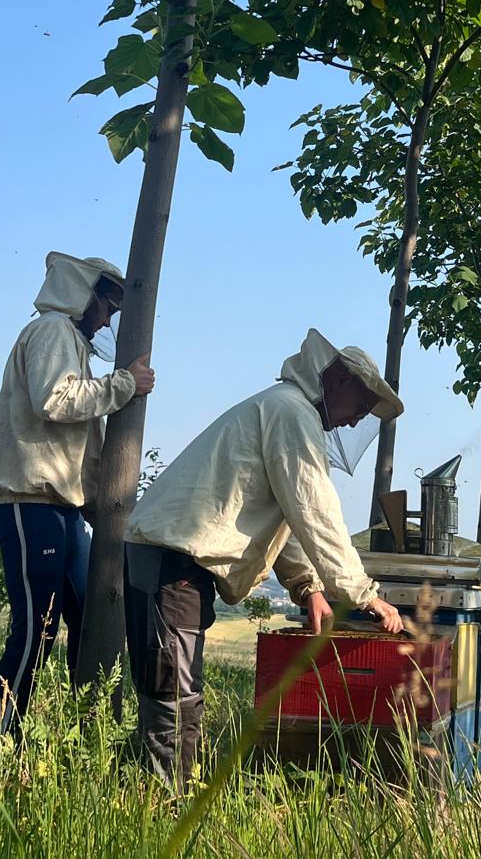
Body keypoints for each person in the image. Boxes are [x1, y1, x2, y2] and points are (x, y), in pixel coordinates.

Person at [124, 328, 405, 784]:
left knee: (174, 689)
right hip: (170, 559)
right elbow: (315, 510)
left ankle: (155, 793)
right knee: (173, 693)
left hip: (172, 561)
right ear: (335, 380)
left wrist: (307, 587)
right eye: (359, 406)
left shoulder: (286, 411)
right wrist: (363, 594)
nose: (356, 421)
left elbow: (284, 515)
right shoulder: (291, 412)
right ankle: (162, 805)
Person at [0, 251, 156, 743]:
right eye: (108, 302)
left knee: (88, 615)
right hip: (27, 498)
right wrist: (122, 384)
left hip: (61, 506)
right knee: (37, 627)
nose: (110, 316)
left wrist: (105, 508)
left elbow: (83, 446)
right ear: (85, 291)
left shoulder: (72, 343)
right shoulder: (54, 330)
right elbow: (54, 399)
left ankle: (83, 742)